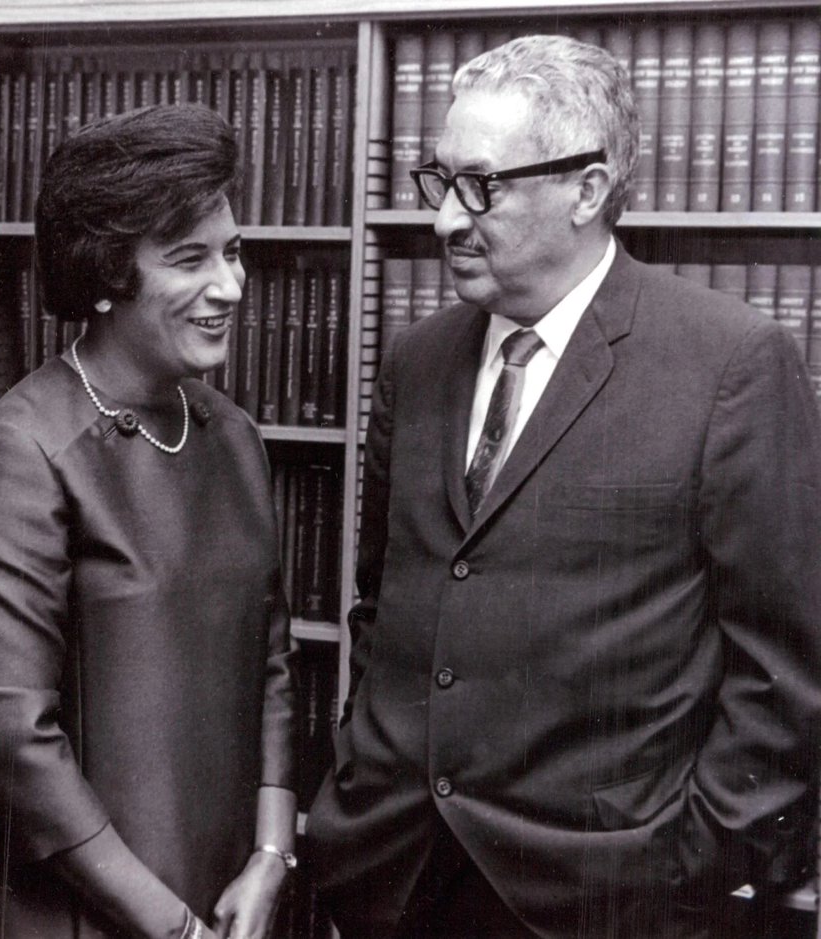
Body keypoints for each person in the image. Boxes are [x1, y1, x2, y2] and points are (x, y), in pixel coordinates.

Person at [306, 34, 821, 938]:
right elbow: (384, 602)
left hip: (604, 894)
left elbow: (785, 668)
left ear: (588, 189)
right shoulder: (418, 358)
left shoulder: (730, 363)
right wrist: (358, 777)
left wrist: (692, 863)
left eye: (483, 185)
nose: (444, 221)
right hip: (395, 873)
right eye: (440, 181)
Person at [0, 104, 297, 939]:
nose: (231, 287)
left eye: (233, 253)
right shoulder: (23, 450)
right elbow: (12, 742)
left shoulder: (233, 436)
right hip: (85, 913)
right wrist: (169, 926)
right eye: (190, 260)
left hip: (229, 894)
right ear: (104, 275)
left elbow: (271, 661)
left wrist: (272, 854)